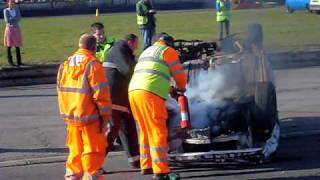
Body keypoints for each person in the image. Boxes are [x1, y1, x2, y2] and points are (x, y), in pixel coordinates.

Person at [128, 33, 187, 180]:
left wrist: (170, 90)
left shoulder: (147, 51)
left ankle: (147, 165)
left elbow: (154, 75)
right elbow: (179, 74)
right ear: (168, 43)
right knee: (157, 131)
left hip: (134, 91)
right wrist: (181, 88)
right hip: (150, 94)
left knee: (145, 130)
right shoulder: (168, 51)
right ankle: (161, 171)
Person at [57, 33, 112, 180]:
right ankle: (91, 176)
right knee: (93, 151)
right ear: (94, 47)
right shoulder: (93, 64)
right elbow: (101, 94)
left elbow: (60, 90)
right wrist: (105, 117)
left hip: (71, 117)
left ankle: (72, 176)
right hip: (90, 117)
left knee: (75, 150)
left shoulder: (65, 64)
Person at [102, 34, 140, 168]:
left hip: (121, 97)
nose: (137, 47)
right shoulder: (119, 49)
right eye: (136, 44)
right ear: (130, 42)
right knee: (113, 128)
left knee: (128, 126)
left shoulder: (123, 51)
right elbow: (127, 70)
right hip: (114, 97)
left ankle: (135, 159)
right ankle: (95, 163)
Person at [3, 0, 22, 66]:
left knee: (17, 45)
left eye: (13, 3)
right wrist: (14, 19)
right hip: (9, 29)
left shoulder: (17, 9)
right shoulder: (6, 10)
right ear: (8, 3)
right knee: (9, 45)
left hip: (16, 29)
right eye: (10, 3)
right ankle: (10, 61)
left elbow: (19, 18)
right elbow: (7, 20)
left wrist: (12, 18)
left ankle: (19, 61)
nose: (12, 4)